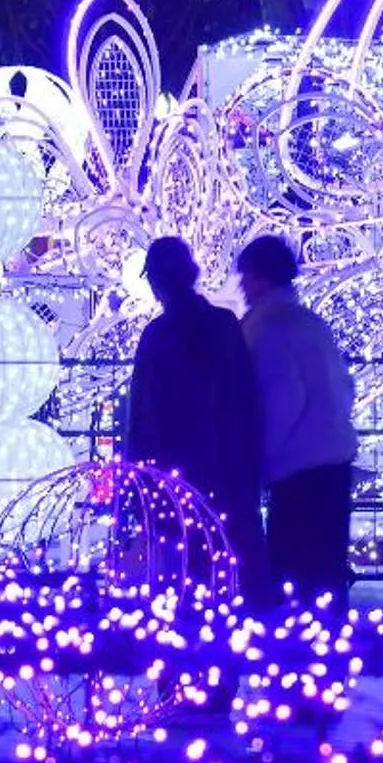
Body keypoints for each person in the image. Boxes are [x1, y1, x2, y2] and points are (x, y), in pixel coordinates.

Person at [123, 236, 265, 594]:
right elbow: (245, 398)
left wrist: (135, 481)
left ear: (156, 283)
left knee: (181, 571)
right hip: (226, 468)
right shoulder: (224, 325)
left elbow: (141, 416)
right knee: (231, 564)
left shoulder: (156, 337)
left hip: (172, 476)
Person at [234, 233, 357, 611]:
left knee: (293, 570)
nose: (240, 286)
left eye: (245, 277)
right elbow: (345, 386)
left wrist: (257, 462)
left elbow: (280, 400)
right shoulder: (310, 323)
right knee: (327, 569)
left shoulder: (269, 328)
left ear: (258, 277)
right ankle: (332, 650)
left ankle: (294, 653)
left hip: (298, 468)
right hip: (333, 460)